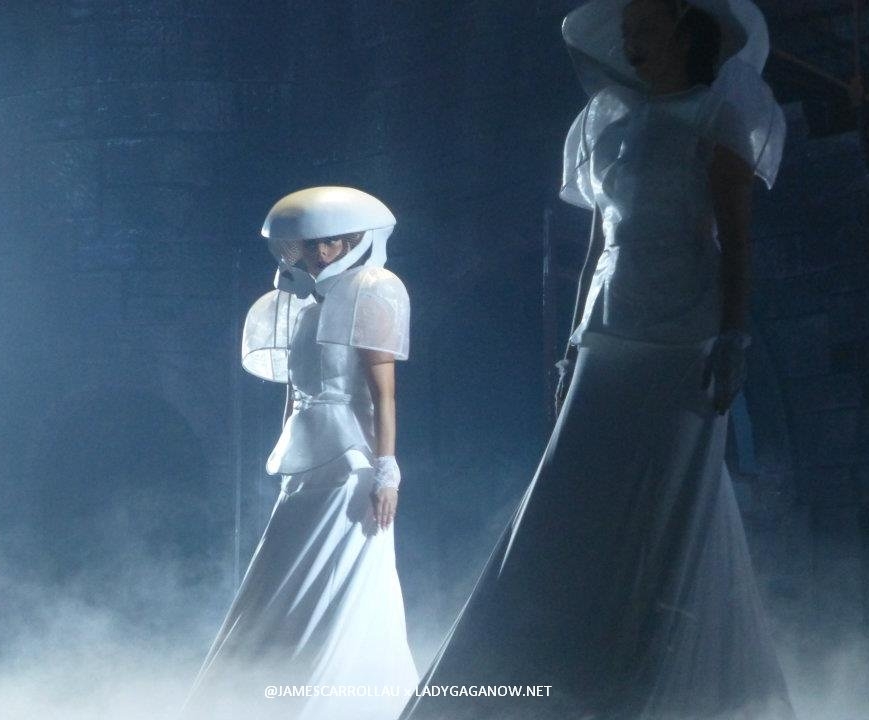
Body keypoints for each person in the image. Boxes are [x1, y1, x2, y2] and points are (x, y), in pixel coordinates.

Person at [398, 1, 794, 719]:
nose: (631, 42)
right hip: (609, 333)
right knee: (573, 489)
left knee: (671, 500)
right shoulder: (607, 124)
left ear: (683, 30)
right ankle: (542, 661)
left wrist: (734, 337)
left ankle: (650, 677)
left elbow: (734, 240)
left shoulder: (717, 117)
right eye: (628, 30)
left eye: (646, 28)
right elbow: (595, 246)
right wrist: (573, 346)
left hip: (683, 335)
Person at [183, 186, 418, 720]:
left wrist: (387, 472)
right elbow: (295, 393)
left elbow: (383, 395)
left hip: (351, 468)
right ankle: (265, 693)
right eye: (312, 245)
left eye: (333, 243)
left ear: (354, 242)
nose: (321, 254)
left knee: (349, 582)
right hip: (306, 464)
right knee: (280, 574)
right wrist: (288, 453)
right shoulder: (303, 307)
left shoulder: (373, 292)